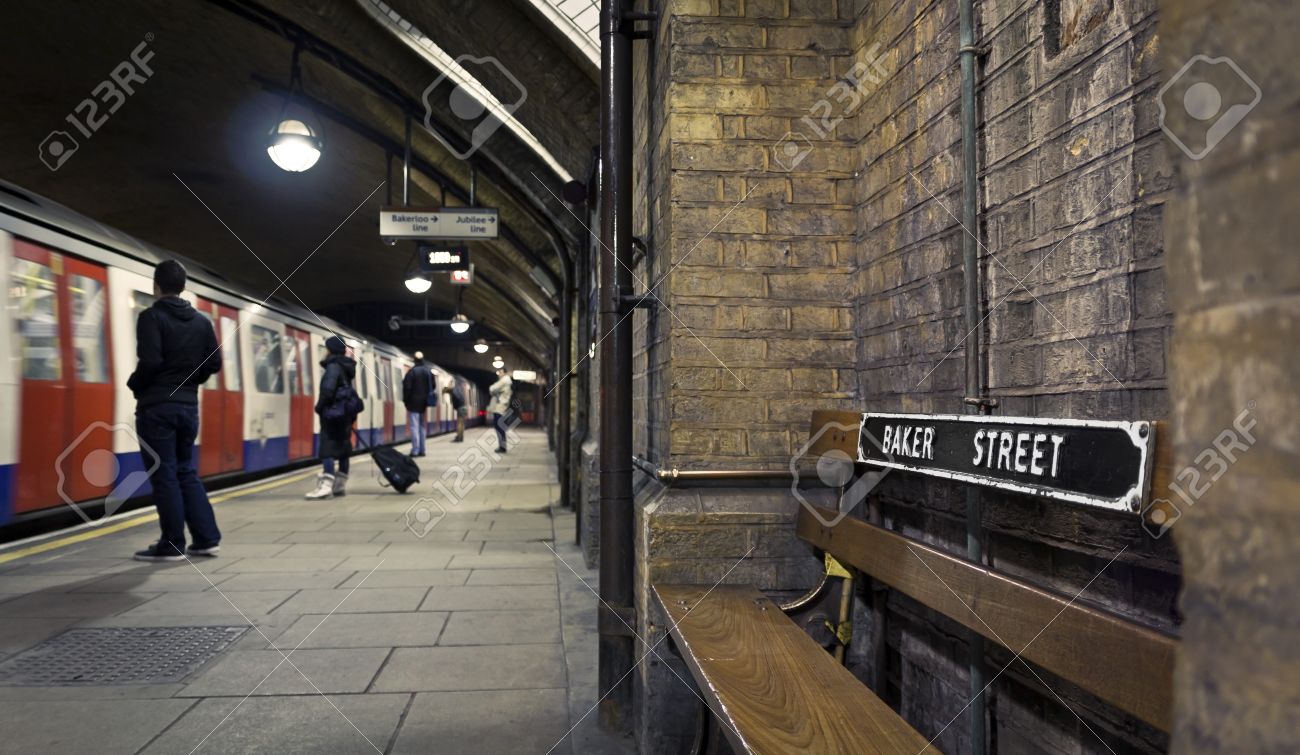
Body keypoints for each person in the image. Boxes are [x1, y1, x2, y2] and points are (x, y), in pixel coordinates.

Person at [126, 259, 223, 562]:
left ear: (156, 286)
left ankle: (172, 544)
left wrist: (135, 384)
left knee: (164, 474)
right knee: (185, 470)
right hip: (188, 407)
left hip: (157, 407)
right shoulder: (202, 322)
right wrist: (190, 382)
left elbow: (151, 361)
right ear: (182, 287)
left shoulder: (151, 317)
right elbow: (214, 363)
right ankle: (206, 539)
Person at [306, 335, 356, 500]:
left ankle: (326, 486)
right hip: (345, 414)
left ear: (331, 350)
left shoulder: (333, 367)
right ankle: (339, 485)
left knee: (327, 448)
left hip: (333, 414)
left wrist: (319, 407)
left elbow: (328, 391)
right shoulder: (346, 366)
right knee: (343, 449)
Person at [401, 351, 435, 457]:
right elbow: (433, 386)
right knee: (422, 426)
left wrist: (406, 401)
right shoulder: (428, 372)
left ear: (414, 360)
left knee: (414, 426)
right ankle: (422, 450)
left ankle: (415, 450)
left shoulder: (412, 372)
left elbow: (407, 387)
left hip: (413, 403)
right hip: (424, 403)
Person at [486, 368, 513, 453]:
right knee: (499, 426)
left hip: (500, 407)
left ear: (505, 373)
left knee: (499, 426)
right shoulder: (505, 381)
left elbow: (492, 388)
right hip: (499, 406)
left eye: (501, 372)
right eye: (498, 372)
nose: (499, 374)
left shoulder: (504, 380)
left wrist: (493, 390)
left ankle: (502, 447)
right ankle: (502, 446)